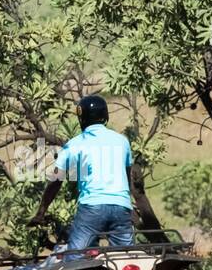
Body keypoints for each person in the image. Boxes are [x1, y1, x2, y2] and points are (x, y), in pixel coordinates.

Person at [28, 95, 135, 251]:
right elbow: (127, 176)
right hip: (122, 207)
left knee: (77, 257)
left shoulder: (74, 144)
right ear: (105, 115)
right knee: (125, 259)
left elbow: (56, 180)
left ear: (81, 118)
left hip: (92, 208)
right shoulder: (122, 141)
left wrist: (41, 212)